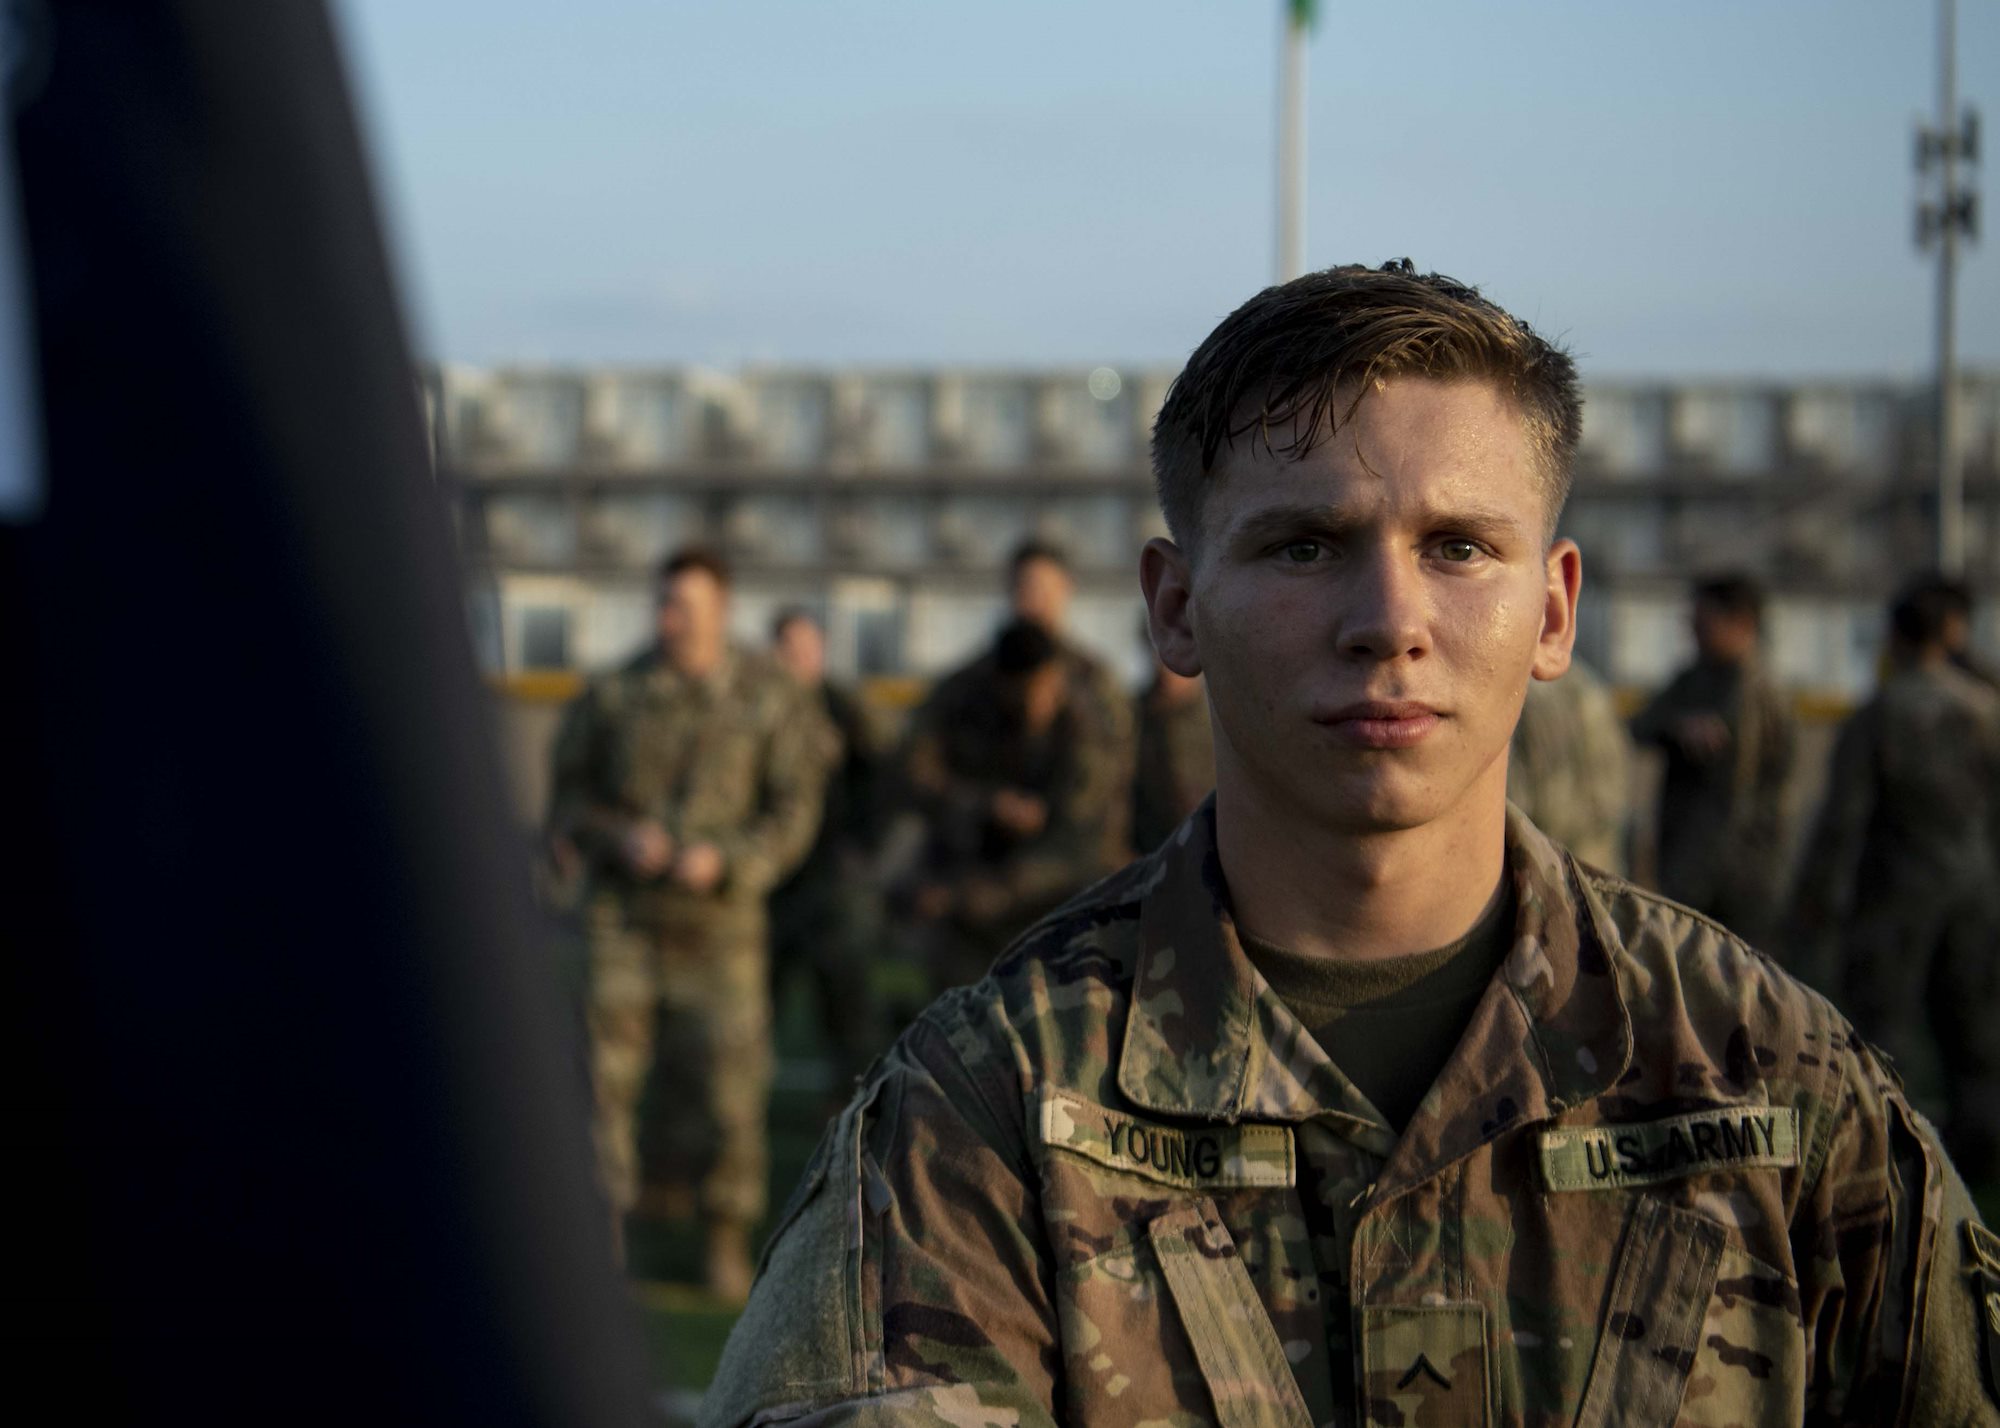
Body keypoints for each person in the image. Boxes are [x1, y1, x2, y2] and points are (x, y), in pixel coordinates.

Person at [702, 262, 1996, 1427]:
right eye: (1305, 546)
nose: (1388, 619)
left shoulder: (1772, 1088)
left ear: (1554, 613)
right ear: (1174, 607)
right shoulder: (985, 1115)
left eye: (1459, 547)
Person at [548, 547, 830, 1302]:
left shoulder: (767, 696)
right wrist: (619, 837)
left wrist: (730, 860)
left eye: (686, 607)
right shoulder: (617, 694)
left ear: (720, 611)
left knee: (730, 1091)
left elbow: (796, 808)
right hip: (625, 922)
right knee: (603, 1085)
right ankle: (601, 1239)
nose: (670, 619)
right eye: (665, 604)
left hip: (721, 927)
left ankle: (724, 1237)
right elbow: (569, 800)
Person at [1790, 580, 2000, 1182]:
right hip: (1974, 890)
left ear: (1896, 638)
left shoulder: (1879, 715)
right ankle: (1981, 1159)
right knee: (1974, 1034)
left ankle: (1891, 1163)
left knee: (1884, 1034)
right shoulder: (1984, 710)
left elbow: (1843, 820)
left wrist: (1815, 900)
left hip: (1897, 894)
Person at [899, 618, 1121, 994]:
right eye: (1023, 694)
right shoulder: (966, 705)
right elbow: (917, 777)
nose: (1035, 704)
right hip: (977, 874)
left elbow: (1080, 837)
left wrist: (973, 894)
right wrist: (987, 806)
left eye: (1044, 690)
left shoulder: (1087, 728)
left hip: (1055, 885)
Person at [1630, 574, 1795, 943]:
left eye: (1703, 624)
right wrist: (1678, 727)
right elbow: (1640, 725)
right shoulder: (1694, 680)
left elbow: (1756, 792)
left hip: (1741, 874)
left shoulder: (1764, 694)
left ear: (1742, 623)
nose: (1694, 634)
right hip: (1689, 864)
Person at [767, 606, 889, 1100]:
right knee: (756, 1001)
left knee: (847, 1006)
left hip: (833, 880)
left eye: (807, 648)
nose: (797, 659)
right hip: (772, 880)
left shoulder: (845, 710)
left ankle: (853, 1110)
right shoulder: (756, 711)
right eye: (788, 648)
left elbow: (881, 781)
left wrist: (862, 847)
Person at [1506, 655, 1631, 873]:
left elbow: (1516, 787)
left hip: (1542, 845)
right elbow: (1615, 771)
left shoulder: (1521, 689)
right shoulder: (1588, 685)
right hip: (1593, 841)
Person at [1130, 631, 1215, 854]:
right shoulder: (1133, 714)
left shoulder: (1216, 721)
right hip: (1147, 849)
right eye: (1158, 654)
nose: (1166, 667)